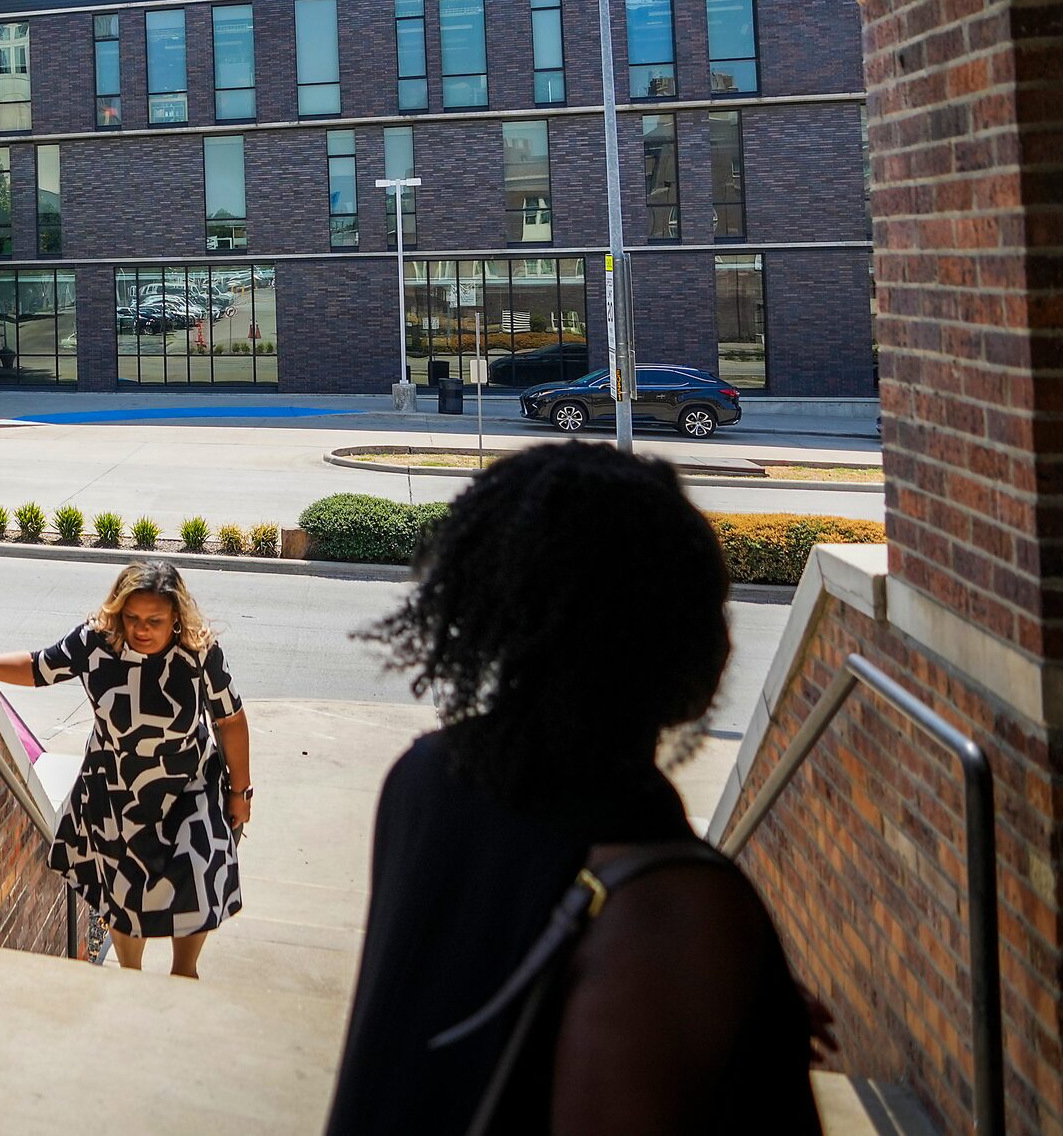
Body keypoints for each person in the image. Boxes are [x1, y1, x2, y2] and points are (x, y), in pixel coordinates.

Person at [324, 441, 825, 1135]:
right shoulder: (667, 907)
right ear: (655, 635)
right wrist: (692, 969)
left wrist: (723, 1000)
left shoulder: (427, 775)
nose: (727, 637)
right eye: (707, 604)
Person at [0, 559, 251, 977]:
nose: (141, 629)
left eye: (154, 620)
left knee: (195, 876)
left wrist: (239, 792)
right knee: (125, 894)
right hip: (115, 792)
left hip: (187, 789)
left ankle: (184, 972)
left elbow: (230, 719)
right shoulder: (97, 641)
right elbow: (38, 667)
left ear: (176, 616)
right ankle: (129, 974)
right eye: (132, 617)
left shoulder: (198, 651)